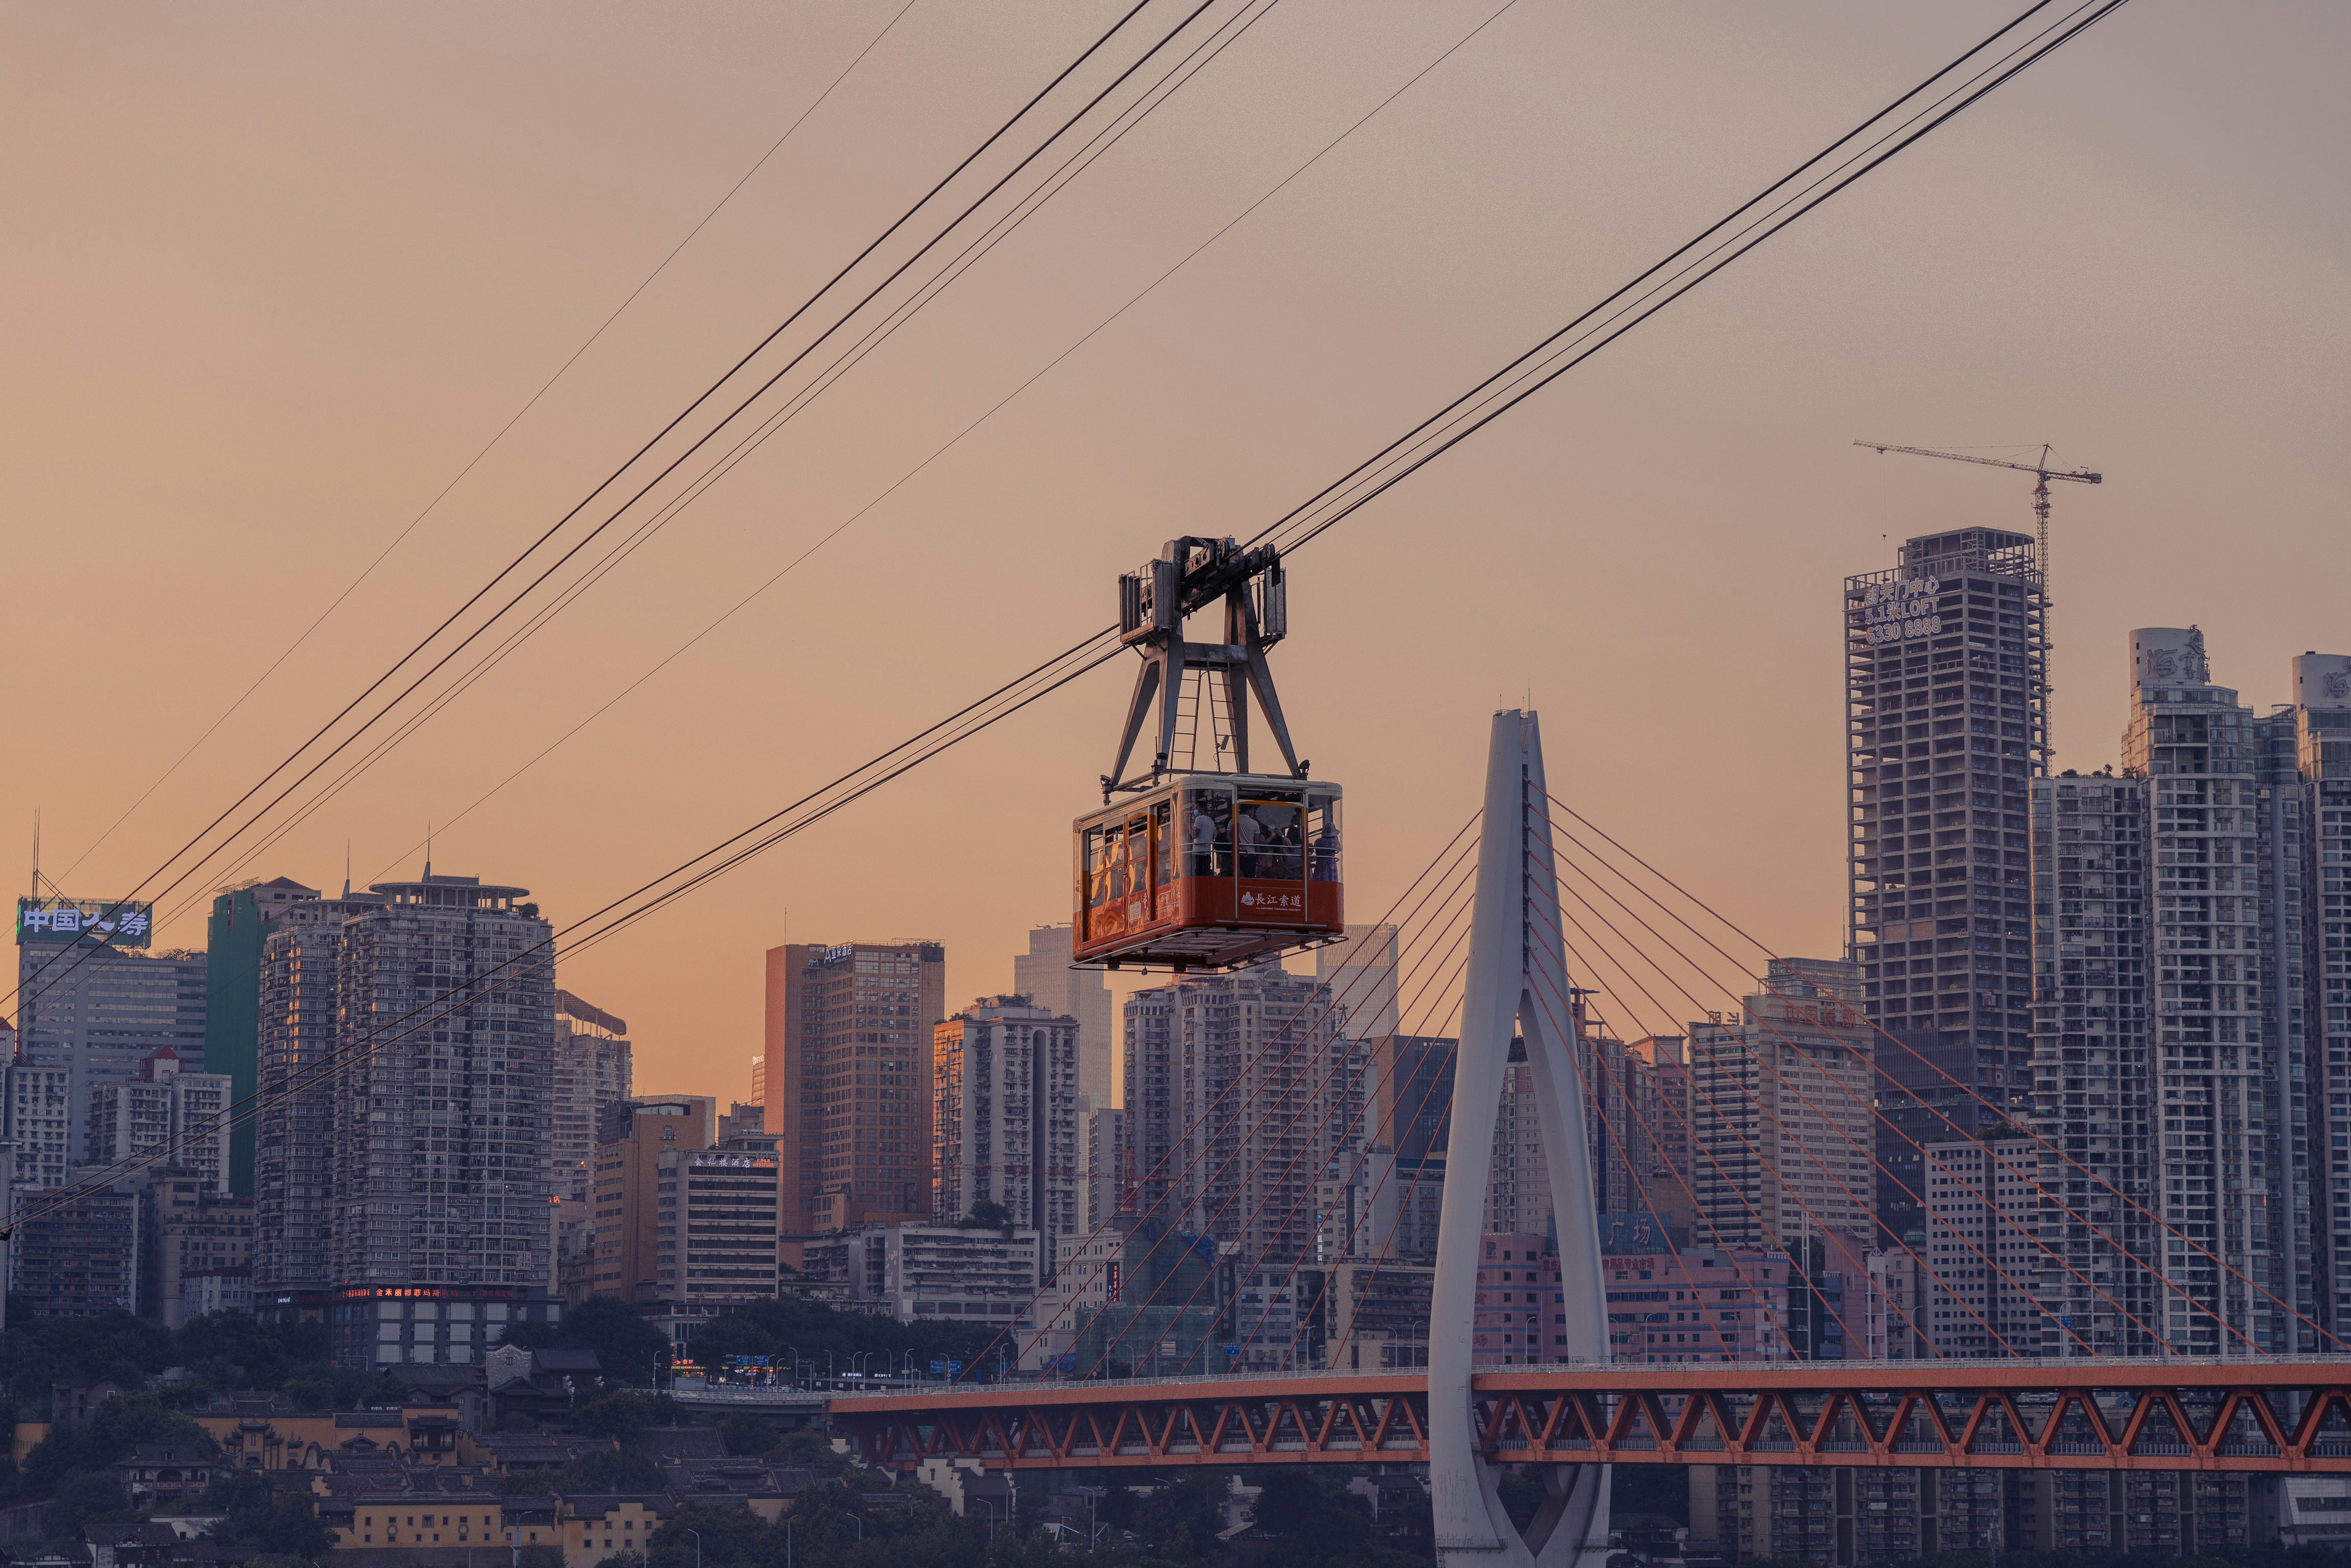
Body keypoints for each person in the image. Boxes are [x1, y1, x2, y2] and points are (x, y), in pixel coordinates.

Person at [1191, 798, 1217, 877]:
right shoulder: (1212, 822)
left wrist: (1188, 825)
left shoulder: (1199, 819)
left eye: (1196, 808)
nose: (1195, 811)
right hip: (1207, 853)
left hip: (1198, 853)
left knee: (1198, 875)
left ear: (1202, 808)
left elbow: (1195, 835)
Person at [1234, 805, 1261, 879]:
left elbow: (1229, 837)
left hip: (1238, 854)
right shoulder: (1255, 823)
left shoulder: (1233, 821)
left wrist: (1239, 848)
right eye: (1252, 810)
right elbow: (1257, 841)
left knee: (1238, 876)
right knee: (1250, 878)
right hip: (1251, 855)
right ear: (1249, 811)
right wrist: (1258, 857)